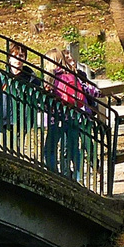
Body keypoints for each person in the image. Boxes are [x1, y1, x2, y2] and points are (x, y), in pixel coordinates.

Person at [44, 45, 90, 178]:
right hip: (73, 116)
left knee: (50, 150)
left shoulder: (51, 77)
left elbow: (47, 103)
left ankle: (55, 176)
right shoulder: (70, 75)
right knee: (72, 149)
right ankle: (78, 178)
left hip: (56, 118)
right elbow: (87, 90)